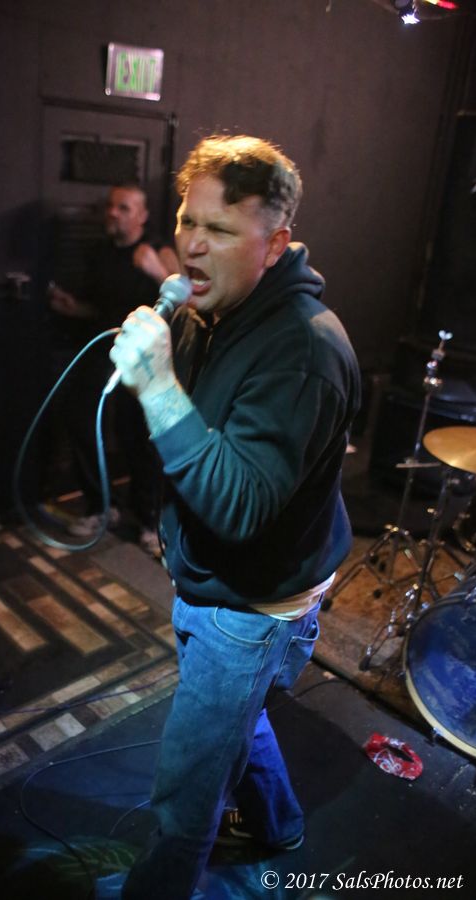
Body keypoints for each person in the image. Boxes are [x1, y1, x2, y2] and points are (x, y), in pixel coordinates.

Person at [107, 135, 361, 899]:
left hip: (250, 606)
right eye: (188, 220)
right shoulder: (209, 313)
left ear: (274, 244)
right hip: (210, 579)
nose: (191, 243)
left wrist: (156, 387)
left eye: (218, 229)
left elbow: (240, 506)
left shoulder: (303, 350)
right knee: (238, 721)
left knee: (186, 792)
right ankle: (277, 822)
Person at [48, 183, 179, 556]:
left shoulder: (157, 249)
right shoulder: (101, 253)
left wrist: (156, 271)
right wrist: (72, 308)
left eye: (123, 208)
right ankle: (101, 505)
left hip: (144, 357)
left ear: (142, 215)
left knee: (139, 436)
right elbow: (100, 308)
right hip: (104, 350)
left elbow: (186, 299)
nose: (112, 213)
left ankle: (150, 518)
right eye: (110, 206)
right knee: (81, 419)